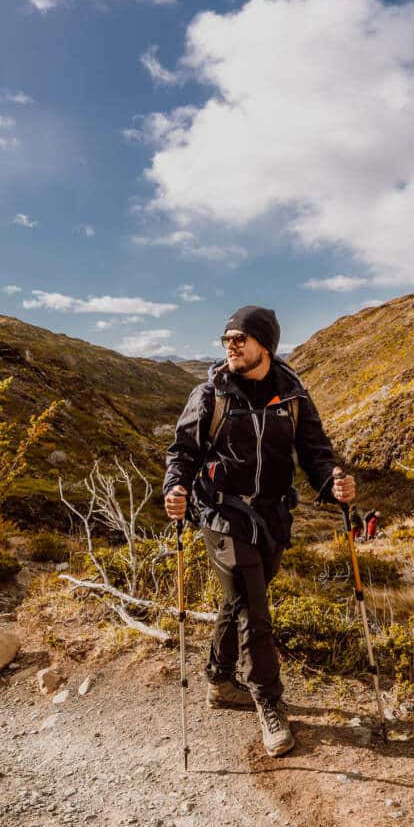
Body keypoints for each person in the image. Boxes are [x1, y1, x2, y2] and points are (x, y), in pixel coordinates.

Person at [164, 306, 355, 757]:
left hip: (271, 515)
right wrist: (175, 485)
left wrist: (334, 484)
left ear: (264, 345)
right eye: (226, 338)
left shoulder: (293, 396)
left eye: (239, 338)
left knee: (241, 597)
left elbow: (315, 453)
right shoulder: (210, 394)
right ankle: (269, 701)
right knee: (254, 606)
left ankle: (218, 679)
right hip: (221, 513)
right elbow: (182, 451)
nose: (230, 345)